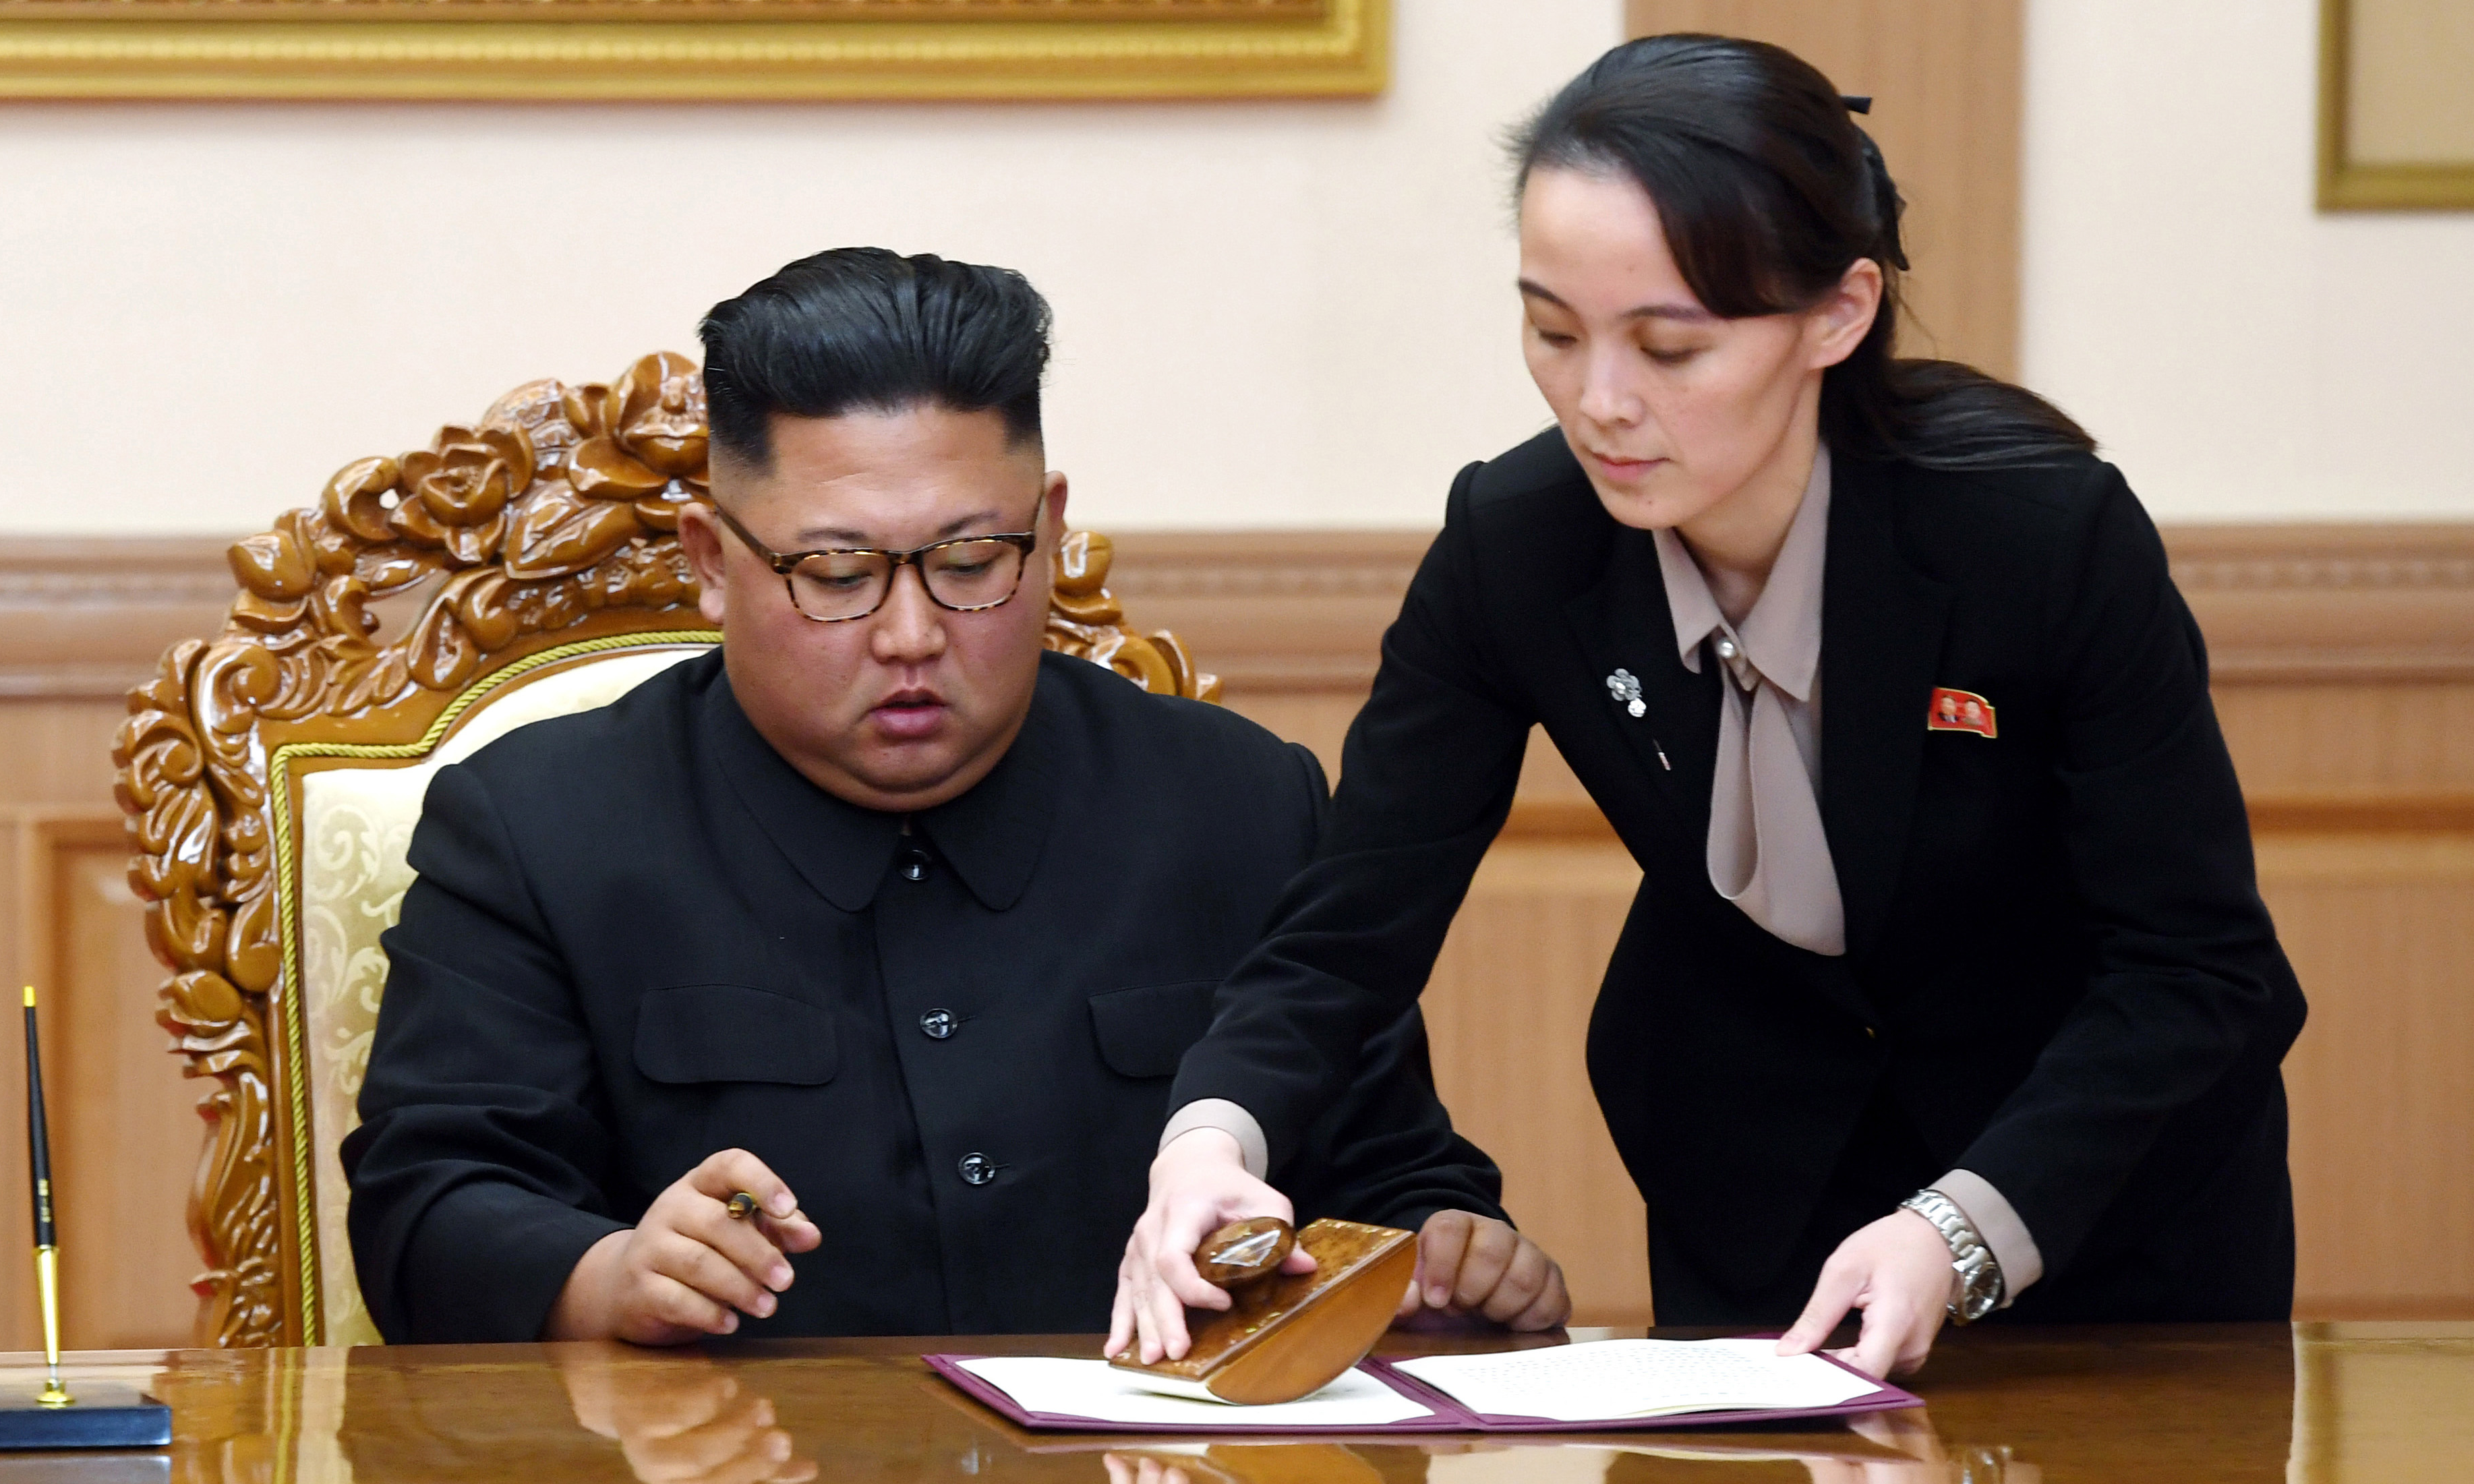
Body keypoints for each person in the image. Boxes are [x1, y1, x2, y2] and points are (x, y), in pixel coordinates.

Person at [1110, 35, 2304, 1379]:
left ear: (1840, 316)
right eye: (1553, 332)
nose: (1599, 402)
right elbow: (1345, 932)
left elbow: (2196, 966)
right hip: (1758, 1187)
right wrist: (1209, 1143)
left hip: (2100, 1205)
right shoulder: (1517, 545)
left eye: (1669, 345)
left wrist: (1960, 1229)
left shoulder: (2041, 539)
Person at [343, 246, 1569, 1344]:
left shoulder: (1240, 804)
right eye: (837, 574)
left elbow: (1394, 1177)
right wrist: (609, 1273)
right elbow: (426, 1211)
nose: (912, 634)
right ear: (712, 564)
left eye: (972, 562)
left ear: (1051, 532)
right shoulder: (536, 829)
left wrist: (1454, 1247)